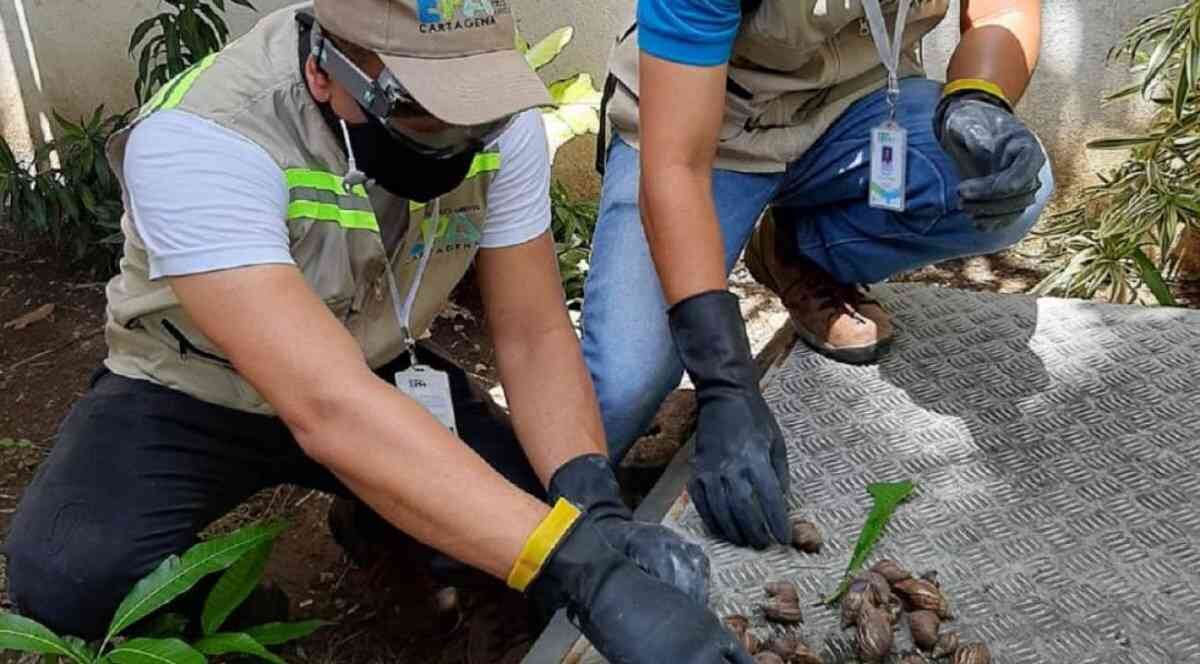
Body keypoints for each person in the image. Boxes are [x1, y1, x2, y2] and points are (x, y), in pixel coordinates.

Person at [3, 2, 754, 661]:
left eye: (475, 110)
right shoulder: (204, 141)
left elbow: (530, 332)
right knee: (68, 572)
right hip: (194, 387)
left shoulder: (499, 114)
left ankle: (378, 527)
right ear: (326, 72)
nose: (460, 135)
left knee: (535, 518)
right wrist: (588, 568)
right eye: (423, 111)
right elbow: (328, 407)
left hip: (377, 367)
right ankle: (225, 612)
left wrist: (593, 508)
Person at [582, 0, 1052, 549]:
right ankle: (523, 535)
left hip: (858, 110)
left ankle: (797, 251)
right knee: (623, 386)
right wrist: (724, 382)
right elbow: (675, 166)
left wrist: (981, 99)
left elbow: (1003, 12)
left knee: (1008, 184)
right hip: (705, 129)